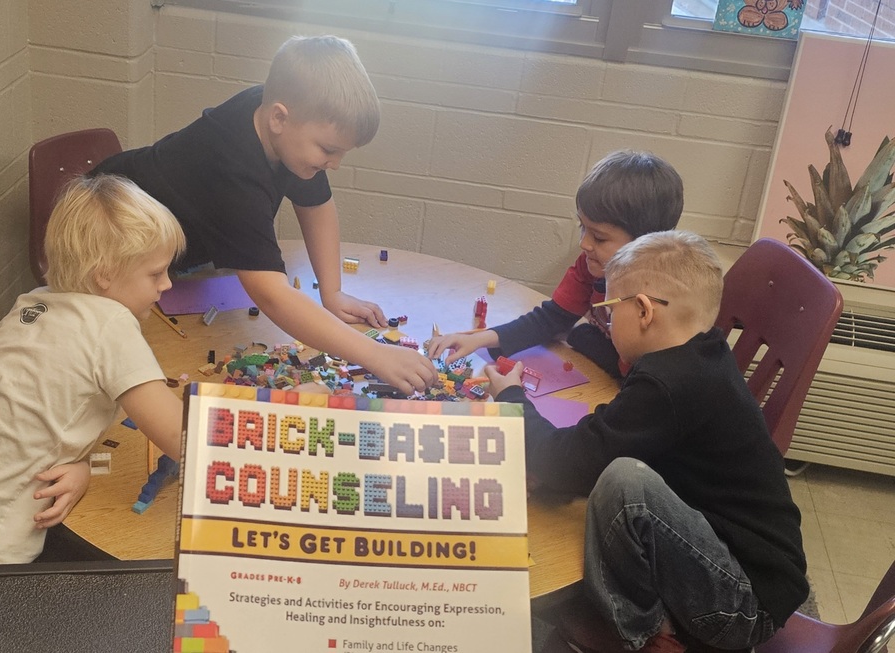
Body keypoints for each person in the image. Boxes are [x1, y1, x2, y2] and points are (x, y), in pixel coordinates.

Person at [487, 232, 808, 651]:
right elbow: (600, 449)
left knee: (625, 482)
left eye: (607, 310)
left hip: (741, 604)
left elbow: (569, 460)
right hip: (742, 566)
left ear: (642, 310)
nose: (603, 321)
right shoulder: (700, 354)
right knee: (610, 471)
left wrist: (511, 399)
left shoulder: (668, 384)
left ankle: (644, 633)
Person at [92, 35, 437, 395]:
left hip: (166, 241)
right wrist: (375, 355)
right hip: (110, 232)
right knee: (115, 358)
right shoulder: (234, 168)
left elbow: (316, 206)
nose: (334, 165)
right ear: (279, 119)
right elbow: (270, 294)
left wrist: (332, 294)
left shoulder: (279, 119)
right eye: (329, 150)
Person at [0, 175, 187, 566]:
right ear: (104, 274)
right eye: (155, 274)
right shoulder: (110, 325)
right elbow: (181, 437)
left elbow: (39, 416)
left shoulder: (34, 304)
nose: (167, 284)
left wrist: (82, 467)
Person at [427, 150, 683, 379]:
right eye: (583, 227)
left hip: (637, 379)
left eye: (600, 237)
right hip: (616, 360)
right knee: (572, 331)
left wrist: (576, 335)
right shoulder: (591, 264)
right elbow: (551, 318)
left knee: (578, 335)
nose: (584, 243)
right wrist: (478, 339)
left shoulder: (655, 301)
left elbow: (636, 377)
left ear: (644, 243)